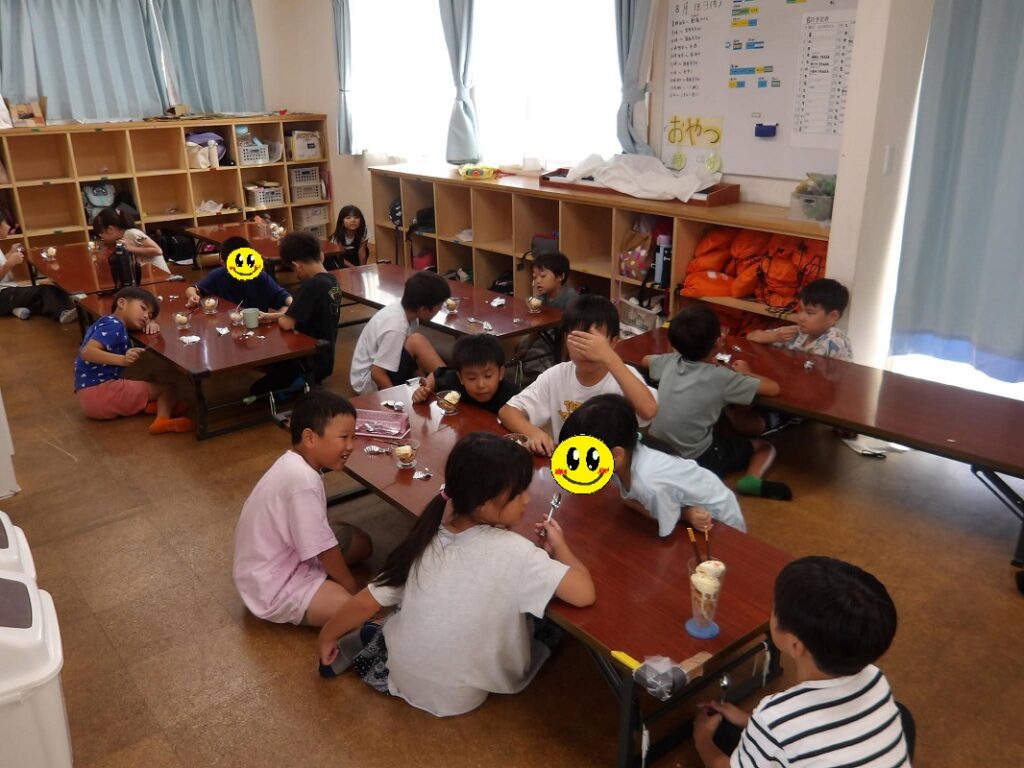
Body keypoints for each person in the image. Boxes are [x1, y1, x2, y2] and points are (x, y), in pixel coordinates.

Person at [317, 432, 595, 716]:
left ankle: (372, 637)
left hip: (400, 676)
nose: (527, 498)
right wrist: (560, 547)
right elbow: (584, 593)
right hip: (460, 697)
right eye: (519, 492)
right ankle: (376, 634)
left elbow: (365, 602)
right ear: (485, 503)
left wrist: (327, 636)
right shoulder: (519, 553)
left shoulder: (424, 538)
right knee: (546, 623)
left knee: (413, 606)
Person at [694, 556, 915, 767]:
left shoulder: (775, 716)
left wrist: (702, 737)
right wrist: (748, 721)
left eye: (775, 608)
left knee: (724, 737)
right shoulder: (875, 677)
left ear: (796, 645)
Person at [233, 392, 372, 627]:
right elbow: (324, 548)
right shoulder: (302, 480)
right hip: (270, 583)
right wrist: (351, 587)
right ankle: (316, 589)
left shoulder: (295, 462)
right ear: (310, 438)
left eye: (353, 437)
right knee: (351, 610)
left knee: (362, 544)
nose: (350, 446)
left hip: (287, 554)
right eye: (343, 437)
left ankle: (324, 580)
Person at [643, 304, 791, 500]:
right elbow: (773, 388)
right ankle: (751, 480)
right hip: (696, 457)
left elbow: (646, 360)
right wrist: (746, 372)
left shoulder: (670, 362)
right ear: (718, 341)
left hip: (656, 447)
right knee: (765, 447)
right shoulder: (722, 377)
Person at [560, 394, 746, 535]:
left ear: (616, 455)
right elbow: (631, 501)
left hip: (718, 521)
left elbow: (667, 525)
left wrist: (686, 514)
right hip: (691, 506)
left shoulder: (648, 483)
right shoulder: (624, 459)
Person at [499, 295, 658, 456]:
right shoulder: (557, 375)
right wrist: (533, 432)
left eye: (594, 343)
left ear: (613, 342)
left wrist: (609, 357)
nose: (585, 351)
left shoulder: (623, 377)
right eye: (578, 340)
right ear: (566, 339)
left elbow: (649, 411)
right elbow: (507, 411)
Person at [74, 286, 193, 434]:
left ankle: (152, 406)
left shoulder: (108, 322)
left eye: (150, 315)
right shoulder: (114, 326)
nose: (146, 316)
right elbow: (87, 353)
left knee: (151, 377)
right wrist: (123, 360)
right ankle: (162, 420)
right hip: (102, 394)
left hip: (87, 396)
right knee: (169, 388)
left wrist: (150, 323)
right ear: (122, 303)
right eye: (143, 308)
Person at [250, 232, 342, 398]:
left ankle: (304, 382)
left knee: (257, 391)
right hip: (325, 356)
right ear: (320, 255)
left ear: (296, 265)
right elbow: (302, 312)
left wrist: (280, 316)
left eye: (292, 269)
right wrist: (271, 316)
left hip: (307, 360)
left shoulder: (311, 286)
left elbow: (287, 324)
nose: (295, 274)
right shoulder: (331, 281)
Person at [349, 271, 449, 394]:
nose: (440, 309)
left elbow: (408, 356)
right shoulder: (396, 327)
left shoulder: (406, 312)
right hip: (368, 382)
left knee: (415, 342)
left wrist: (420, 378)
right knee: (416, 341)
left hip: (376, 370)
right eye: (439, 306)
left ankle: (446, 381)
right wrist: (398, 399)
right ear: (423, 309)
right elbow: (377, 374)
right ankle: (450, 384)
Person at [746, 278, 853, 361]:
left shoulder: (836, 340)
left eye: (810, 312)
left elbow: (809, 373)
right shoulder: (799, 331)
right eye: (800, 310)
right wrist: (774, 336)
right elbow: (751, 337)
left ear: (832, 317)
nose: (801, 317)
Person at [412, 333, 519, 414]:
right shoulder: (454, 381)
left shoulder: (512, 395)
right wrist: (425, 389)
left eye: (488, 376)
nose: (481, 385)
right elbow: (437, 375)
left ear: (500, 373)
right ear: (461, 377)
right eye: (472, 378)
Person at [184, 235, 292, 313]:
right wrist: (193, 296)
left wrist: (275, 316)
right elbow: (192, 289)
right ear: (223, 264)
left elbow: (286, 300)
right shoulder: (217, 276)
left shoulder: (260, 277)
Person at [514, 251, 578, 378]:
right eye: (535, 277)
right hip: (548, 334)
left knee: (537, 358)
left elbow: (570, 332)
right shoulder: (542, 299)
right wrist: (527, 345)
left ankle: (549, 375)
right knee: (520, 345)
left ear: (560, 277)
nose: (537, 281)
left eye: (542, 276)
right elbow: (538, 328)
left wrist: (562, 361)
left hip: (567, 338)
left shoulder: (570, 298)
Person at [0, 243, 77, 323]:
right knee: (45, 291)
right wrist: (9, 263)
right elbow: (5, 265)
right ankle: (62, 313)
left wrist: (10, 253)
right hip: (2, 294)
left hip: (7, 289)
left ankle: (16, 309)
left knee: (46, 296)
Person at [92, 207, 169, 273]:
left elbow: (157, 251)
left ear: (110, 229)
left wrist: (130, 248)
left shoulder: (131, 233)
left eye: (101, 233)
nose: (102, 237)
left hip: (160, 276)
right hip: (148, 274)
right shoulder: (123, 237)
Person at [327, 204, 369, 269]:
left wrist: (362, 268)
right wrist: (353, 268)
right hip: (341, 259)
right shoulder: (337, 237)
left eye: (356, 217)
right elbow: (339, 257)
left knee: (366, 250)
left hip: (354, 256)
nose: (353, 220)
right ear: (342, 222)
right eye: (348, 218)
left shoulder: (364, 231)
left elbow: (362, 251)